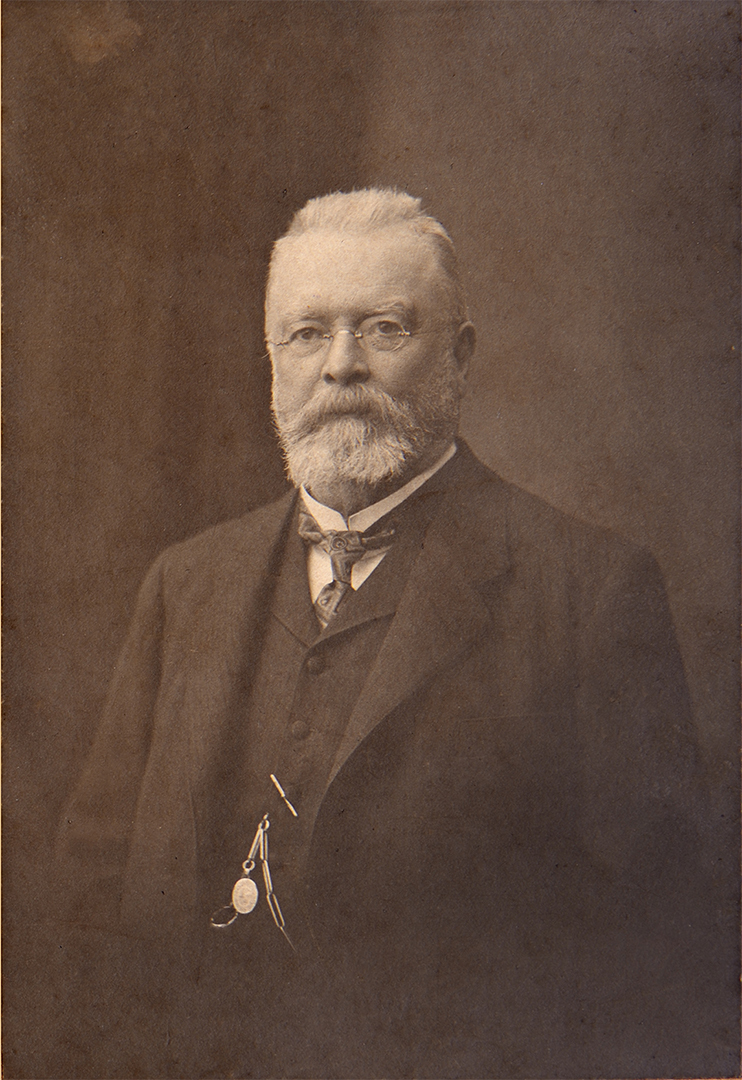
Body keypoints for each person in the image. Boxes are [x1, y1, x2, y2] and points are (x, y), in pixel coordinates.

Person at [56, 189, 721, 1078]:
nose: (341, 366)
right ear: (272, 361)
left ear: (459, 355)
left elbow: (657, 968)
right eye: (306, 334)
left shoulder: (589, 592)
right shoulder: (184, 585)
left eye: (383, 329)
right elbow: (89, 905)